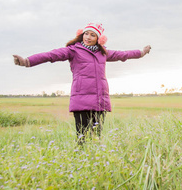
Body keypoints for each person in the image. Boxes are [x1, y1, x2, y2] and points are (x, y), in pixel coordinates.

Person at [13, 23, 151, 143]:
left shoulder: (103, 53)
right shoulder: (73, 51)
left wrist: (141, 52)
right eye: (86, 34)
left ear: (98, 39)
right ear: (81, 35)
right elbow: (51, 55)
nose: (88, 37)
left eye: (92, 35)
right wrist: (26, 61)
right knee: (82, 136)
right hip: (81, 98)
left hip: (99, 99)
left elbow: (124, 55)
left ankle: (96, 161)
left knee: (97, 136)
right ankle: (81, 158)